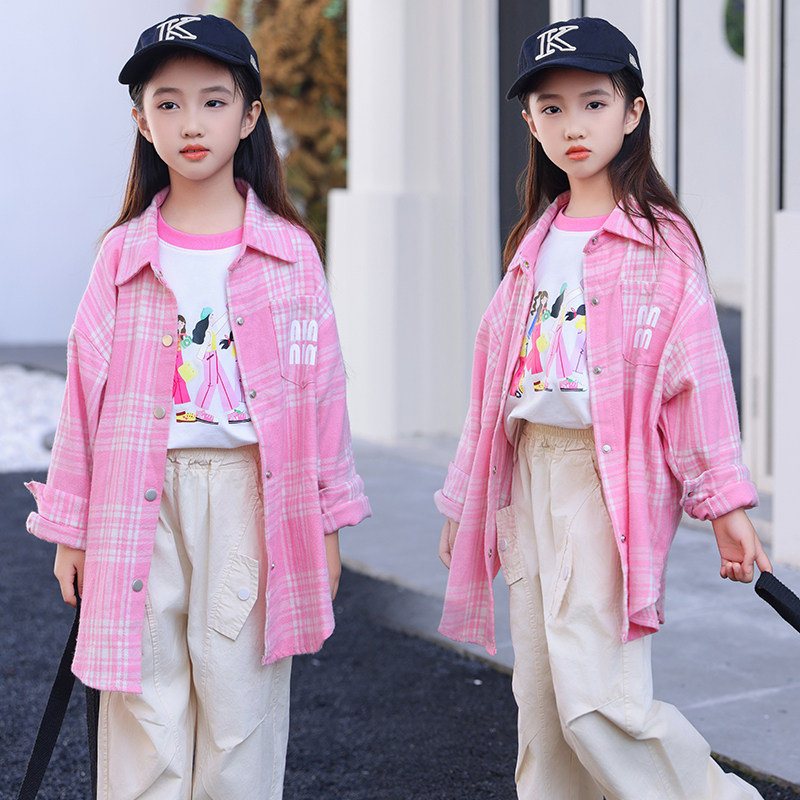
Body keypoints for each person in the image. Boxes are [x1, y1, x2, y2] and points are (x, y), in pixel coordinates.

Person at [25, 14, 370, 799]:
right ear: (141, 121)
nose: (191, 123)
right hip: (135, 502)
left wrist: (325, 525)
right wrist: (72, 529)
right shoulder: (122, 255)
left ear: (249, 116)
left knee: (240, 706)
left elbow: (324, 392)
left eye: (214, 101)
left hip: (249, 497)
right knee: (142, 705)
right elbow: (83, 395)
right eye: (168, 103)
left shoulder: (289, 254)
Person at [435, 17, 769, 800]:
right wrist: (464, 500)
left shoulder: (659, 242)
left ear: (632, 111)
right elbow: (492, 389)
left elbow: (697, 380)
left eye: (593, 103)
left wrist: (724, 502)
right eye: (551, 109)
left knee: (597, 700)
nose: (573, 125)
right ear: (530, 123)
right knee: (542, 698)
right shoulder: (535, 241)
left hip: (603, 481)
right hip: (528, 478)